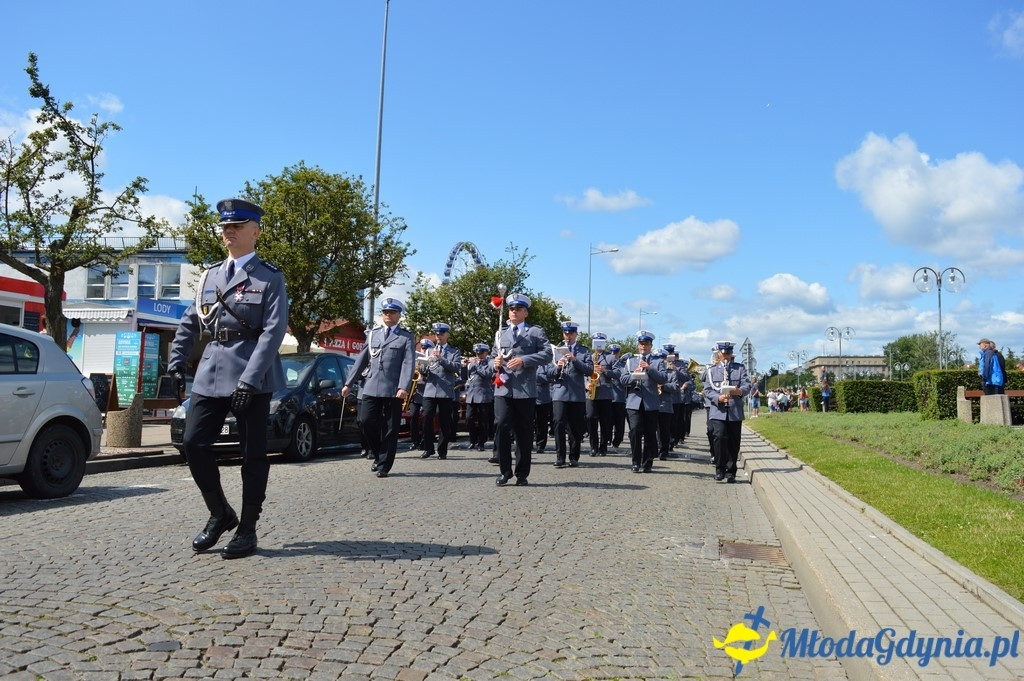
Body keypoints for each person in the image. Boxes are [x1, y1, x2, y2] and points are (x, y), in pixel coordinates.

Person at [168, 198, 288, 559]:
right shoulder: (210, 275)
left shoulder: (269, 277)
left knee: (253, 454)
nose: (229, 232)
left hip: (252, 373)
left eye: (237, 226)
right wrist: (176, 362)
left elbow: (273, 332)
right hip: (212, 369)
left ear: (255, 232)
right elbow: (191, 321)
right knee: (194, 443)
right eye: (225, 227)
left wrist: (249, 380)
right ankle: (220, 513)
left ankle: (247, 528)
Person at [480, 293, 552, 486]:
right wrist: (494, 363)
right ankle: (505, 471)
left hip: (525, 389)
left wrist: (524, 360)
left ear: (525, 312)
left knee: (523, 432)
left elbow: (547, 354)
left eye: (518, 309)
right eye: (511, 309)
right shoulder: (500, 333)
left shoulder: (535, 332)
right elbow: (491, 358)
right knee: (501, 427)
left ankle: (522, 473)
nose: (514, 312)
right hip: (503, 388)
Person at [342, 297, 415, 478]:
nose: (388, 315)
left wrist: (403, 387)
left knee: (390, 428)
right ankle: (377, 453)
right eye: (385, 312)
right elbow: (362, 360)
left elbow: (408, 363)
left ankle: (384, 465)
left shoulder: (406, 337)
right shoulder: (373, 334)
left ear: (399, 315)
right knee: (365, 421)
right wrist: (348, 383)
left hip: (393, 388)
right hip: (371, 385)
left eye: (392, 312)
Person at [620, 330, 667, 473]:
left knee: (649, 433)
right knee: (635, 430)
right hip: (633, 402)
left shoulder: (658, 362)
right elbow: (623, 380)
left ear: (651, 346)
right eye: (641, 344)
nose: (643, 347)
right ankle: (635, 461)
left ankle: (647, 462)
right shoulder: (630, 361)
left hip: (650, 403)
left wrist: (649, 369)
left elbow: (663, 378)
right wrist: (633, 375)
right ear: (638, 345)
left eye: (646, 344)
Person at [704, 341, 751, 483]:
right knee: (719, 437)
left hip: (734, 410)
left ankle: (731, 472)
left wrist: (739, 391)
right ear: (719, 353)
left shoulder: (739, 368)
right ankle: (720, 469)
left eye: (728, 353)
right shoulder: (711, 370)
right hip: (718, 410)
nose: (726, 356)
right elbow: (707, 390)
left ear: (731, 354)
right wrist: (718, 398)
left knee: (733, 442)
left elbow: (747, 385)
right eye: (723, 353)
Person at [550, 320, 593, 468]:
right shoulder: (556, 350)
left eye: (571, 333)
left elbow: (590, 371)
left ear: (576, 334)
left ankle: (574, 456)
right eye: (566, 333)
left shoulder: (584, 351)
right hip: (559, 392)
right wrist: (558, 367)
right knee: (558, 423)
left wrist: (575, 360)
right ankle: (560, 457)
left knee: (575, 427)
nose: (568, 336)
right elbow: (549, 372)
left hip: (576, 394)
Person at [420, 322, 461, 460]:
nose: (438, 336)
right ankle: (428, 448)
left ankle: (442, 450)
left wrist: (441, 359)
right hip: (430, 389)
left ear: (447, 334)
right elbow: (423, 371)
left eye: (441, 333)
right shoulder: (429, 350)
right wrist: (425, 364)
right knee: (426, 417)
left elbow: (456, 367)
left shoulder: (454, 351)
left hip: (445, 390)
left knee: (444, 421)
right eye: (437, 334)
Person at [585, 332, 618, 456]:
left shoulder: (611, 357)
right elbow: (582, 373)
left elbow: (617, 374)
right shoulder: (589, 357)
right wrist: (585, 384)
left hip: (605, 393)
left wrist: (604, 370)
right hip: (591, 392)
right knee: (590, 418)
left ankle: (603, 447)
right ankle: (593, 446)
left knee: (605, 421)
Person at [463, 342, 494, 452]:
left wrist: (476, 365)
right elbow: (465, 377)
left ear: (486, 353)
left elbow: (487, 374)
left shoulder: (490, 362)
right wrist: (464, 366)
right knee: (469, 418)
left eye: (481, 353)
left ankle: (481, 442)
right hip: (471, 394)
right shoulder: (472, 364)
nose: (479, 356)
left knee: (483, 421)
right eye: (477, 354)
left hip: (483, 395)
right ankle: (473, 440)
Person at [607, 344, 627, 451]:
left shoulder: (622, 365)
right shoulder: (606, 363)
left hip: (619, 397)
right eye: (612, 353)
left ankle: (617, 441)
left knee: (619, 422)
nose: (613, 355)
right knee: (608, 420)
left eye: (615, 353)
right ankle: (608, 439)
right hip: (607, 396)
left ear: (619, 353)